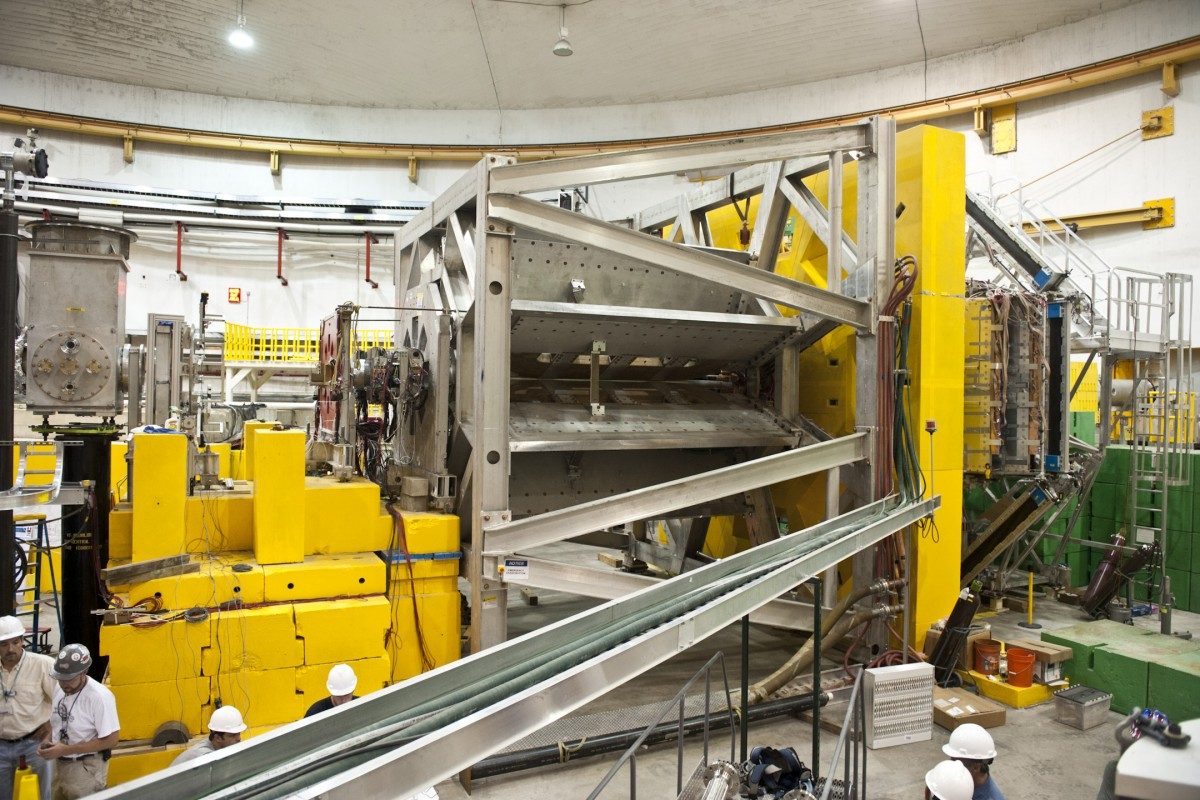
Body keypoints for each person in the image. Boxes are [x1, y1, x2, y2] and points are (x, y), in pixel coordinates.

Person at [36, 644, 119, 800]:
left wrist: (65, 750)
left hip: (86, 769)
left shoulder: (100, 697)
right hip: (59, 765)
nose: (64, 683)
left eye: (70, 678)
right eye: (60, 678)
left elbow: (112, 739)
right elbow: (57, 721)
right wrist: (47, 740)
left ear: (84, 672)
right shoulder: (61, 688)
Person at [0, 616, 55, 800]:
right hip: (1, 747)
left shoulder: (42, 665)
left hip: (34, 745)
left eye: (15, 642)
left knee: (39, 795)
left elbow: (64, 701)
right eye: (4, 644)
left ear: (23, 641)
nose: (10, 649)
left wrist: (52, 728)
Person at [942, 723, 1005, 800]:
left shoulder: (987, 797)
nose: (952, 765)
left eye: (955, 760)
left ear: (975, 768)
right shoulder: (959, 784)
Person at [172, 706, 246, 765]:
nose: (239, 738)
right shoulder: (204, 757)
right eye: (233, 735)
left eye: (239, 733)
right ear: (218, 738)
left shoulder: (217, 746)